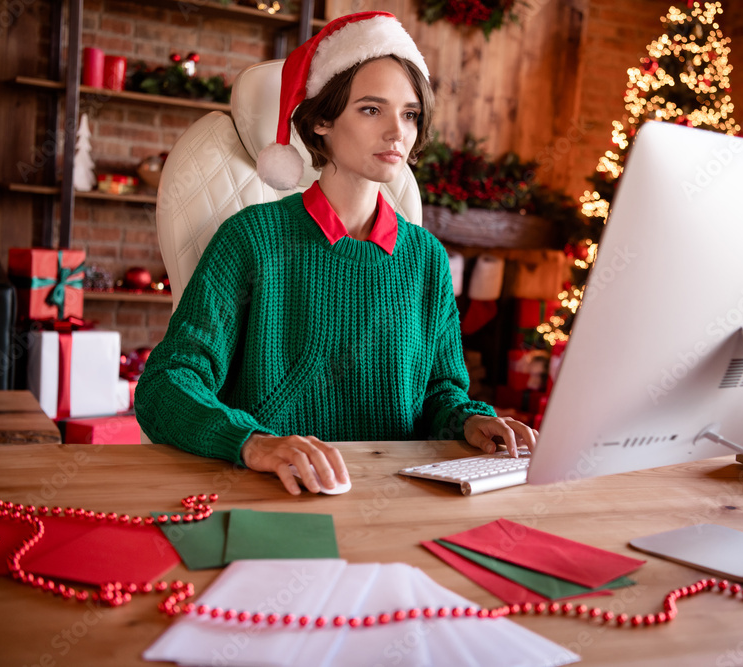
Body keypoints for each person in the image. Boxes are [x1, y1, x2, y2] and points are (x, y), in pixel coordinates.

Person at [136, 12, 536, 495]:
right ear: (322, 119)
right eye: (372, 109)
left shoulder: (425, 257)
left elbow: (440, 393)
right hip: (274, 494)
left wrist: (471, 421)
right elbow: (166, 384)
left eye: (409, 113)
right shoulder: (250, 240)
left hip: (397, 497)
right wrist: (252, 442)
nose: (397, 132)